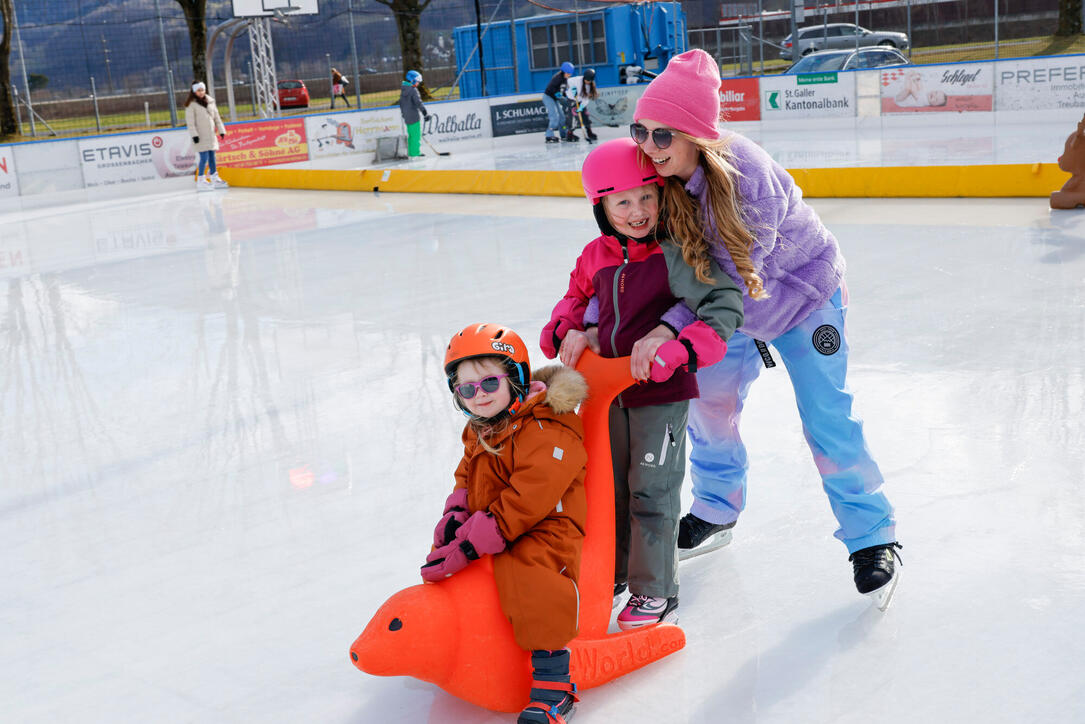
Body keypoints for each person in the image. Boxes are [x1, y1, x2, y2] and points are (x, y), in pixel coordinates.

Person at [629, 49, 902, 606]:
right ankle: (714, 510)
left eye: (662, 135)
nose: (647, 146)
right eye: (640, 131)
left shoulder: (745, 174)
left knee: (827, 417)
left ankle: (873, 537)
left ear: (696, 135)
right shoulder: (663, 180)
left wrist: (669, 327)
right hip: (736, 315)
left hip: (803, 298)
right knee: (710, 404)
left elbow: (728, 281)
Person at [540, 138, 743, 629]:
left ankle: (655, 591)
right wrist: (566, 329)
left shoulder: (676, 250)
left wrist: (678, 349)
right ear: (602, 207)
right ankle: (610, 573)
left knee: (652, 492)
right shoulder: (595, 254)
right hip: (604, 396)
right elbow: (574, 298)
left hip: (659, 393)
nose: (638, 211)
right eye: (622, 201)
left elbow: (721, 305)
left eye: (646, 197)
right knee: (606, 489)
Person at [422, 323, 588, 724]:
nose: (479, 396)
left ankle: (555, 682)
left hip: (546, 524)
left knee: (527, 572)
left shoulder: (548, 430)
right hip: (494, 520)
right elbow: (466, 473)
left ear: (514, 378)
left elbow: (528, 498)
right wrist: (455, 516)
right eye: (467, 389)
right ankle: (468, 644)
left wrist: (470, 545)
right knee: (449, 563)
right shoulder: (481, 427)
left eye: (489, 383)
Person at [184, 81, 228, 192]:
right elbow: (190, 122)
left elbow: (217, 117)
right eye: (198, 90)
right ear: (194, 91)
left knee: (212, 157)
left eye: (202, 90)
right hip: (200, 136)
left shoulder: (210, 101)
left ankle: (214, 178)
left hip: (211, 135)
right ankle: (201, 180)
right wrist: (194, 135)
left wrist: (221, 130)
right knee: (204, 158)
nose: (201, 92)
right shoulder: (191, 105)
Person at [542, 61, 575, 144]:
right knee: (555, 117)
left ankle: (563, 134)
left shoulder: (565, 80)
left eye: (570, 74)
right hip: (548, 97)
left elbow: (563, 91)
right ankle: (549, 135)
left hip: (555, 98)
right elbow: (551, 89)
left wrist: (568, 98)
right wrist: (559, 96)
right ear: (563, 71)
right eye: (567, 73)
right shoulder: (557, 78)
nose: (569, 75)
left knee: (562, 117)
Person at [399, 70, 429, 158]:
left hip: (407, 117)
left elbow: (401, 104)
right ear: (412, 80)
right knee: (416, 136)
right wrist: (425, 113)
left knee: (411, 136)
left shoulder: (404, 89)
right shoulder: (413, 90)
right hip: (414, 116)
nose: (418, 84)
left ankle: (412, 153)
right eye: (417, 82)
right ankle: (415, 153)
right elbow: (418, 102)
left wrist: (404, 114)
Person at [564, 68, 599, 143]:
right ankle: (570, 134)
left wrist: (581, 107)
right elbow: (568, 81)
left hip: (581, 101)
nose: (587, 81)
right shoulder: (577, 80)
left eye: (589, 81)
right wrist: (573, 88)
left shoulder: (590, 87)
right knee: (573, 117)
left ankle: (589, 132)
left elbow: (586, 99)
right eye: (586, 80)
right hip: (572, 99)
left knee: (585, 115)